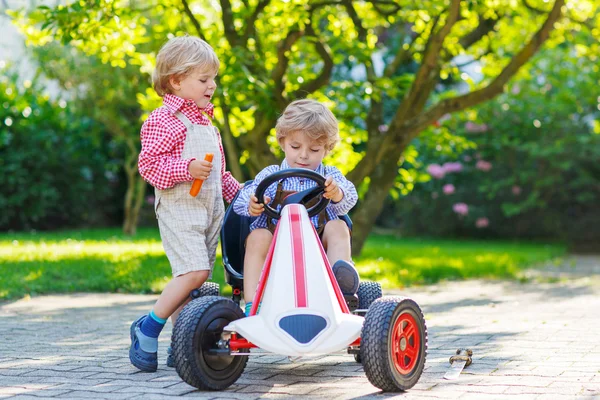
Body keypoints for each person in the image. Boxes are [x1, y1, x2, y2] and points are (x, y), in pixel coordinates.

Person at [130, 35, 241, 372]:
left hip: (209, 213)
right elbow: (149, 167)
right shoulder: (163, 120)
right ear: (176, 81)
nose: (212, 85)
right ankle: (147, 327)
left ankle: (182, 346)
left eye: (214, 79)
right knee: (196, 273)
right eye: (204, 79)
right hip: (180, 210)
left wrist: (246, 196)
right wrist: (185, 168)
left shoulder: (208, 124)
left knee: (191, 283)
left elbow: (220, 177)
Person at [233, 99, 359, 316]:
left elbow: (350, 199)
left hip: (318, 249)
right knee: (257, 236)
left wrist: (336, 193)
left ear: (327, 149)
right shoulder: (270, 177)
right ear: (282, 142)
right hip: (276, 246)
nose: (303, 155)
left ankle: (340, 290)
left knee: (338, 226)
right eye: (295, 146)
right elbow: (241, 201)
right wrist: (253, 204)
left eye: (314, 149)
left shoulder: (330, 176)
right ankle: (253, 307)